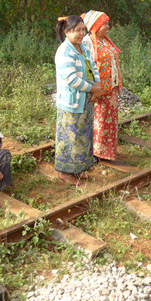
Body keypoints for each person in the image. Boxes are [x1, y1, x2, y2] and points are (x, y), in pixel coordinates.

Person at [55, 15, 102, 184]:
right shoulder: (64, 51)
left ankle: (78, 169)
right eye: (77, 31)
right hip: (72, 102)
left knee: (83, 135)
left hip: (86, 100)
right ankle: (65, 172)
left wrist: (97, 86)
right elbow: (71, 80)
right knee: (70, 137)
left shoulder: (84, 47)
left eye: (83, 30)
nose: (82, 34)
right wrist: (94, 89)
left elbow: (93, 66)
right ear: (67, 32)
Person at [82, 10, 122, 161]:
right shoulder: (87, 42)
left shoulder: (105, 41)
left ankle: (106, 152)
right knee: (98, 121)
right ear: (96, 26)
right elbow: (87, 67)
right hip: (98, 90)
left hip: (110, 89)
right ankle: (95, 153)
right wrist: (93, 89)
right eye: (105, 24)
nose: (108, 27)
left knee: (109, 121)